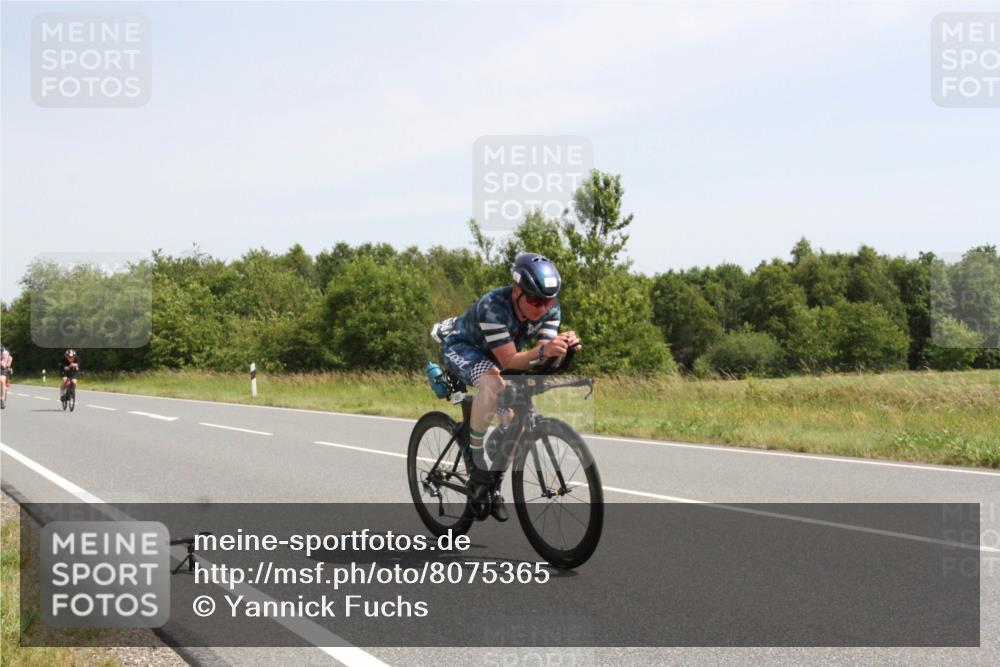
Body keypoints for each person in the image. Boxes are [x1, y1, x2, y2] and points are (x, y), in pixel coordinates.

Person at [436, 253, 582, 521]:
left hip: (502, 352)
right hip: (466, 348)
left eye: (548, 300)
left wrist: (561, 348)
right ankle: (477, 459)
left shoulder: (551, 308)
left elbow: (541, 353)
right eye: (536, 300)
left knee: (519, 421)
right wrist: (543, 351)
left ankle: (493, 486)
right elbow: (509, 361)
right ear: (517, 290)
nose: (542, 308)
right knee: (493, 383)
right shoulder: (493, 306)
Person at [0, 344, 12, 408]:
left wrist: (8, 365)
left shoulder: (5, 353)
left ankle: (2, 400)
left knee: (2, 380)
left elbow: (4, 365)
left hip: (3, 367)